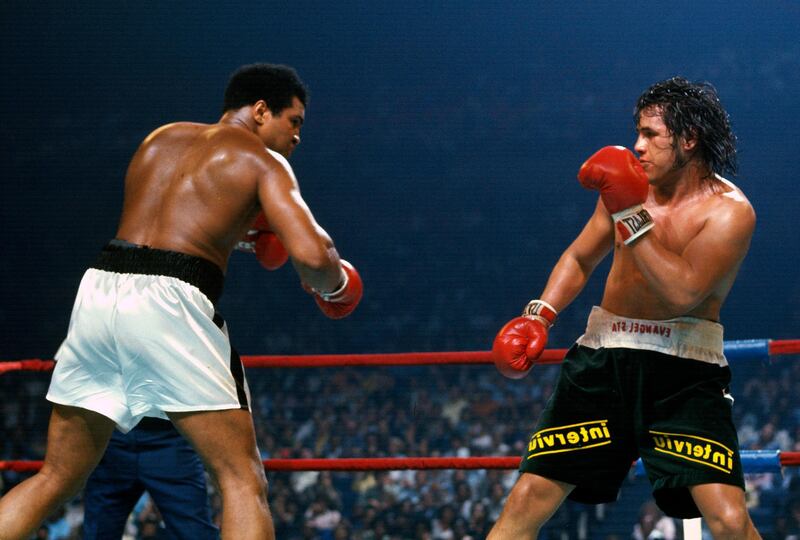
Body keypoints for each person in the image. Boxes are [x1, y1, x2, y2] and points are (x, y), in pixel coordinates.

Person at [0, 63, 363, 540]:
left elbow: (170, 223)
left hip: (99, 289)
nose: (297, 137)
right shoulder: (263, 161)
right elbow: (314, 255)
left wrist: (237, 236)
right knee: (241, 481)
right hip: (171, 302)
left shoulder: (161, 138)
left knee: (56, 477)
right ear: (259, 111)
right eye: (292, 121)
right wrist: (336, 286)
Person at [488, 76, 759, 539]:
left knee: (729, 520)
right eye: (637, 132)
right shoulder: (627, 190)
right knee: (527, 498)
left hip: (683, 372)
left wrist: (630, 213)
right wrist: (539, 315)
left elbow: (682, 292)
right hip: (603, 360)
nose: (637, 146)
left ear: (689, 140)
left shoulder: (730, 212)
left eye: (651, 135)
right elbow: (579, 257)